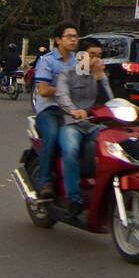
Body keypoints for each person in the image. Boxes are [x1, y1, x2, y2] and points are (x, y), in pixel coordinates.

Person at [51, 38, 114, 216]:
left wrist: (99, 78)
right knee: (70, 150)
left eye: (99, 56)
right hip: (71, 124)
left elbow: (109, 101)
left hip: (93, 125)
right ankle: (74, 198)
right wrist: (73, 111)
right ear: (80, 57)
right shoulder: (67, 74)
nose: (96, 59)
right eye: (92, 55)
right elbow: (62, 96)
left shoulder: (100, 75)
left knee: (113, 146)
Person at [33, 22, 82, 199]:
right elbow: (44, 90)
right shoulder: (47, 60)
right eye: (69, 36)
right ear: (58, 40)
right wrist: (65, 90)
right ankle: (44, 180)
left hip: (73, 111)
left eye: (75, 36)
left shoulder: (80, 61)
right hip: (50, 110)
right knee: (52, 134)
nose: (73, 39)